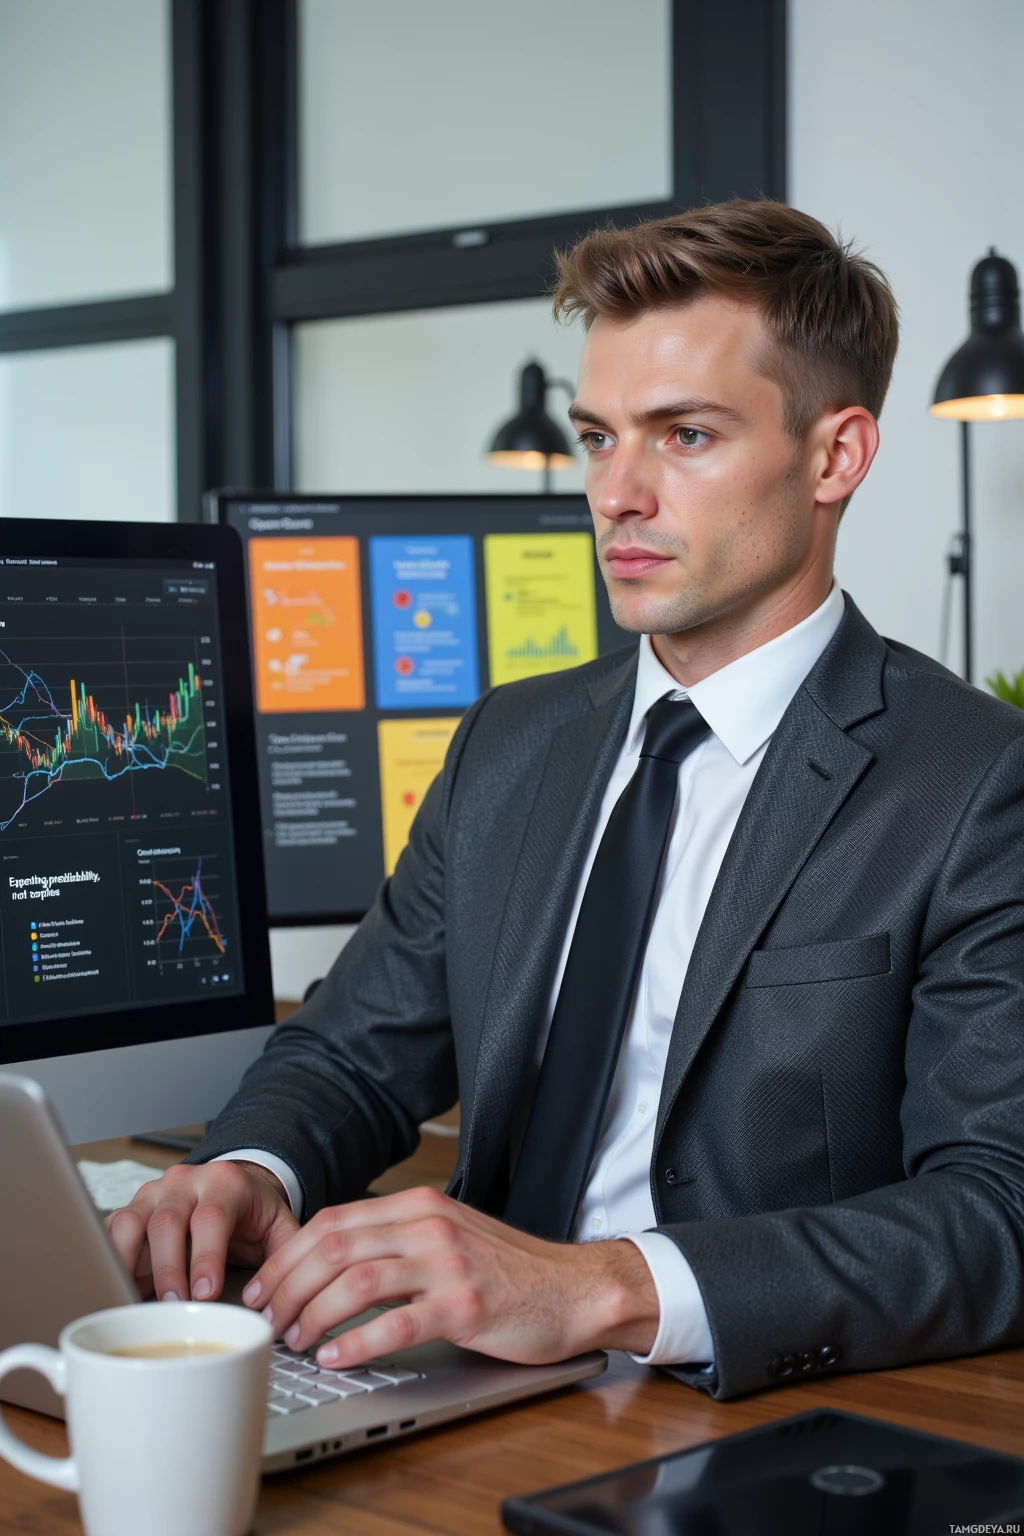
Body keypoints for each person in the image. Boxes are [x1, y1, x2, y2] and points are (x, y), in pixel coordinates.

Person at [108, 200, 1024, 1400]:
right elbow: (355, 1052)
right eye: (598, 437)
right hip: (455, 1381)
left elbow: (996, 1212)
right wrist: (251, 1170)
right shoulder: (512, 739)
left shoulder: (975, 780)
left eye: (684, 435)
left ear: (833, 456)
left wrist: (603, 1286)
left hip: (744, 1410)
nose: (616, 493)